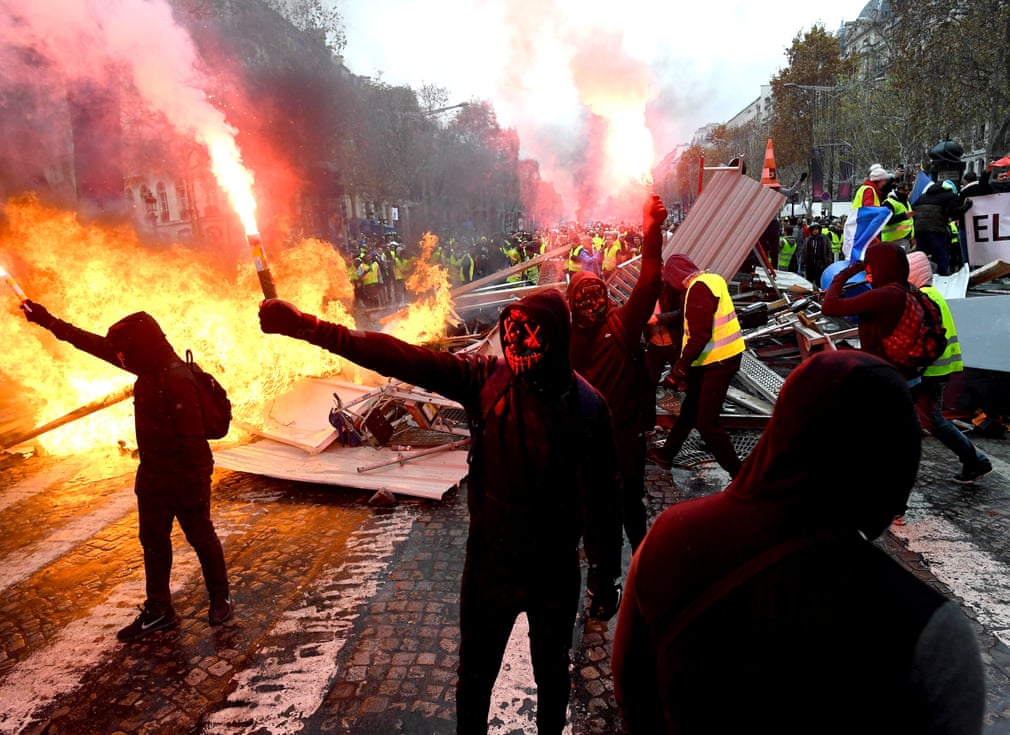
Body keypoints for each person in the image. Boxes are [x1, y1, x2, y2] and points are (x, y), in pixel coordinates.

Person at [258, 290, 624, 735]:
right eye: (515, 340)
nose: (520, 350)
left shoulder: (570, 403)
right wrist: (311, 329)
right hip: (505, 566)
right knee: (489, 676)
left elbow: (604, 499)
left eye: (529, 340)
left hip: (537, 569)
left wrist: (605, 573)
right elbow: (403, 358)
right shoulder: (505, 385)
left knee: (541, 675)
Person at [612, 350, 985, 735]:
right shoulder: (927, 629)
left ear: (782, 429)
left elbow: (632, 692)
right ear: (894, 458)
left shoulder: (671, 536)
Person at [20, 304, 232, 641]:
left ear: (140, 346)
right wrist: (47, 321)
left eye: (124, 350)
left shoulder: (176, 378)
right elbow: (91, 344)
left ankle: (220, 596)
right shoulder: (147, 367)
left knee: (200, 535)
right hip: (152, 474)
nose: (119, 355)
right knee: (153, 541)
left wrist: (193, 484)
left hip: (183, 476)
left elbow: (193, 441)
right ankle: (160, 609)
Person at [567, 194, 667, 551]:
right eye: (586, 299)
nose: (593, 304)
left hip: (616, 434)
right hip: (599, 437)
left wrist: (652, 229)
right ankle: (612, 568)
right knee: (602, 505)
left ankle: (632, 559)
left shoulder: (616, 325)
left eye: (597, 296)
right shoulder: (574, 338)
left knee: (622, 503)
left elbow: (650, 278)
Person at [646, 255, 744, 479]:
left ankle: (740, 474)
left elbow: (699, 335)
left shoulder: (697, 289)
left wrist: (679, 368)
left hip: (718, 360)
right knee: (690, 409)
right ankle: (666, 455)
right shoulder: (713, 279)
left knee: (707, 423)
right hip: (718, 357)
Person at [906, 251, 993, 484]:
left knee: (933, 421)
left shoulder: (923, 297)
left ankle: (976, 461)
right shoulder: (932, 293)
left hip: (931, 370)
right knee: (927, 419)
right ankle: (975, 461)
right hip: (939, 368)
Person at [820, 240, 922, 383]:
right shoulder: (910, 289)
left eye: (870, 270)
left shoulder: (883, 296)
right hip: (910, 376)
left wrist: (843, 275)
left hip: (888, 380)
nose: (869, 277)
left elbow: (829, 307)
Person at [913, 179, 971, 276]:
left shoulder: (922, 197)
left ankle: (921, 275)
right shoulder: (950, 196)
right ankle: (942, 276)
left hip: (919, 229)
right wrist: (966, 207)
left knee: (921, 255)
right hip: (936, 229)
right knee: (940, 253)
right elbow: (954, 212)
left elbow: (913, 210)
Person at [801, 221, 832, 287]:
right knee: (809, 282)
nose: (815, 231)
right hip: (810, 265)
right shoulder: (808, 239)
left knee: (819, 282)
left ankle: (819, 295)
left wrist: (828, 262)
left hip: (820, 265)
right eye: (813, 229)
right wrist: (803, 262)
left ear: (819, 230)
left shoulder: (824, 238)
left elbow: (829, 251)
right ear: (811, 230)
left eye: (816, 229)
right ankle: (810, 295)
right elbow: (804, 252)